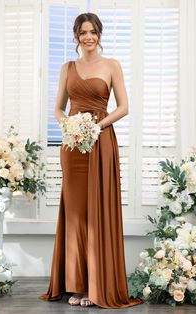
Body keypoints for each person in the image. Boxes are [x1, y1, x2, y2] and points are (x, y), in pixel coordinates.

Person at [40, 12, 142, 309]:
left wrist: (97, 126)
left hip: (101, 141)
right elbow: (59, 109)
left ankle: (95, 286)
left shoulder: (112, 66)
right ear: (76, 36)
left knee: (98, 210)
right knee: (75, 212)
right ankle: (77, 284)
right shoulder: (67, 67)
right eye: (83, 32)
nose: (88, 37)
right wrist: (70, 125)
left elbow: (124, 107)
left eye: (93, 32)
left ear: (100, 35)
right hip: (73, 147)